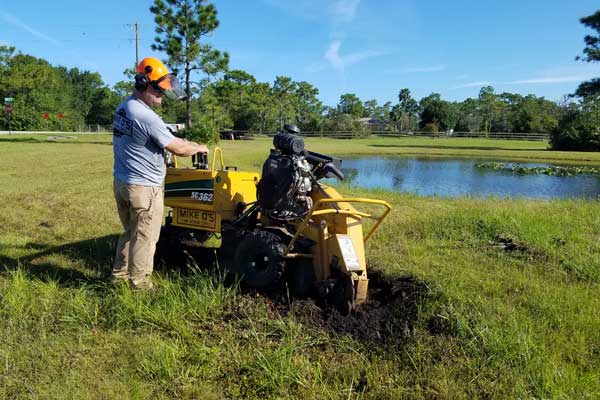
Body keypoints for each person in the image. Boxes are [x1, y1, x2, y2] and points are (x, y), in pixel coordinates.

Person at [110, 57, 208, 290]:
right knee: (146, 238)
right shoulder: (147, 116)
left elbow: (164, 139)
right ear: (144, 84)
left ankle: (119, 276)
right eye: (158, 91)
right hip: (145, 188)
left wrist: (183, 141)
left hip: (123, 182)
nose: (162, 96)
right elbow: (178, 149)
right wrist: (199, 147)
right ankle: (141, 285)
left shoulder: (124, 108)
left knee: (131, 232)